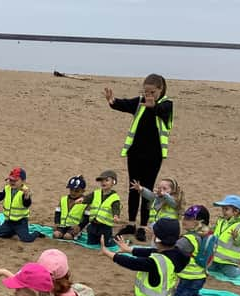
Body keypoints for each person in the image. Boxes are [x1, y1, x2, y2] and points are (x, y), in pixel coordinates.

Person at [105, 74, 173, 241]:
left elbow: (163, 112)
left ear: (160, 89)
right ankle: (130, 223)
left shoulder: (167, 104)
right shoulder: (141, 101)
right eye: (146, 91)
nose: (149, 95)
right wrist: (112, 101)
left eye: (152, 92)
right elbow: (125, 104)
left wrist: (153, 105)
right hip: (135, 153)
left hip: (154, 155)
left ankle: (142, 226)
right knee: (133, 188)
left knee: (147, 190)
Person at [174, 205, 217, 296]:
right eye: (184, 217)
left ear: (200, 222)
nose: (184, 221)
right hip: (201, 276)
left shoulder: (189, 239)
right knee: (191, 294)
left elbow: (173, 249)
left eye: (189, 219)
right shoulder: (208, 236)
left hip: (188, 276)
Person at [0, 168, 41, 242]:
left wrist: (27, 196)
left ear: (23, 181)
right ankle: (13, 231)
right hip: (8, 221)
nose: (12, 182)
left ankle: (36, 233)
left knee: (26, 239)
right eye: (11, 180)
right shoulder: (7, 189)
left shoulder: (25, 191)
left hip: (20, 222)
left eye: (15, 180)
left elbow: (27, 204)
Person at [209, 195, 240, 278]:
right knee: (209, 269)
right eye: (222, 209)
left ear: (236, 211)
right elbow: (214, 230)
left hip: (228, 261)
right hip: (215, 257)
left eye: (226, 209)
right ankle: (218, 265)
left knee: (231, 274)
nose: (223, 211)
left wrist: (237, 237)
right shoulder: (222, 221)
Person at [81, 170, 120, 246]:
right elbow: (88, 198)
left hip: (105, 227)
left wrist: (116, 216)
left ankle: (115, 239)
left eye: (107, 180)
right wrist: (82, 200)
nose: (103, 182)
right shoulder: (96, 193)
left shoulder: (115, 198)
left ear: (114, 182)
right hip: (93, 224)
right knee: (91, 243)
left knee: (107, 244)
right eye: (101, 181)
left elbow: (116, 208)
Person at [53, 175, 89, 240]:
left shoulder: (85, 202)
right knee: (56, 235)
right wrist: (57, 223)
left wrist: (80, 227)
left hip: (74, 227)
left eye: (77, 191)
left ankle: (78, 234)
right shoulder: (63, 199)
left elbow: (87, 218)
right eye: (71, 190)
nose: (73, 192)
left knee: (67, 237)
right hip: (62, 225)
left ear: (83, 191)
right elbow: (58, 212)